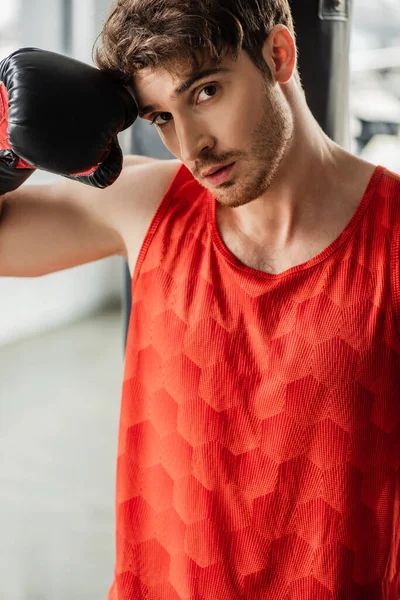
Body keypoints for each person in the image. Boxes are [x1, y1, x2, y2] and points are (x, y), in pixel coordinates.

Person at [1, 0, 400, 598]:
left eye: (206, 92)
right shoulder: (149, 206)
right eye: (161, 116)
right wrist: (7, 135)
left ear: (278, 55)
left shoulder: (392, 239)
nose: (190, 145)